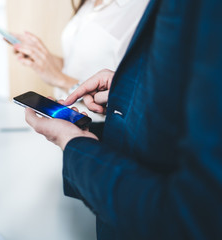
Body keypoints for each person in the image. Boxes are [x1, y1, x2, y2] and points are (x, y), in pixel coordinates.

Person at [25, 0, 222, 239]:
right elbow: (171, 91)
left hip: (125, 194)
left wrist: (73, 143)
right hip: (107, 155)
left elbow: (190, 215)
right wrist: (124, 89)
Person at [13, 0, 149, 121]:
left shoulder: (143, 9)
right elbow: (79, 65)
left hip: (101, 129)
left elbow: (134, 98)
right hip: (67, 118)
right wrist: (42, 59)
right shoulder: (89, 2)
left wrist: (60, 79)